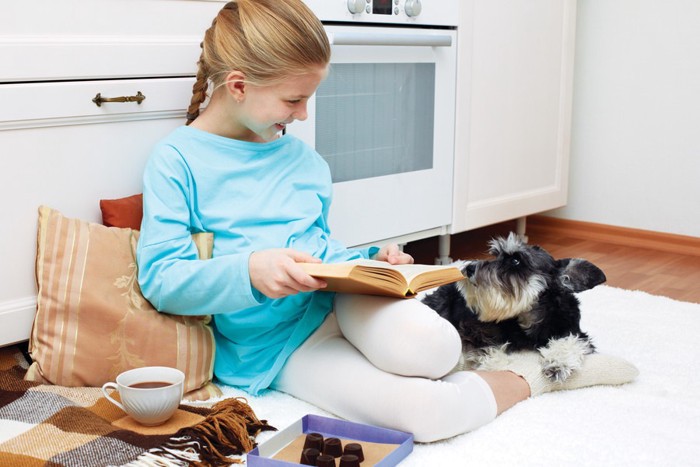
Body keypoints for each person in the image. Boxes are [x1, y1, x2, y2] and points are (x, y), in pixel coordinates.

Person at [137, 0, 638, 443]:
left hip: (341, 299)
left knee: (436, 350)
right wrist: (249, 271)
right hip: (274, 347)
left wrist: (369, 263)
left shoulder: (302, 160)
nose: (304, 115)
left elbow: (321, 248)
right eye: (294, 100)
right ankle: (540, 374)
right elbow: (162, 282)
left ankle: (492, 354)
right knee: (429, 414)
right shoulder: (177, 160)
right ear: (239, 86)